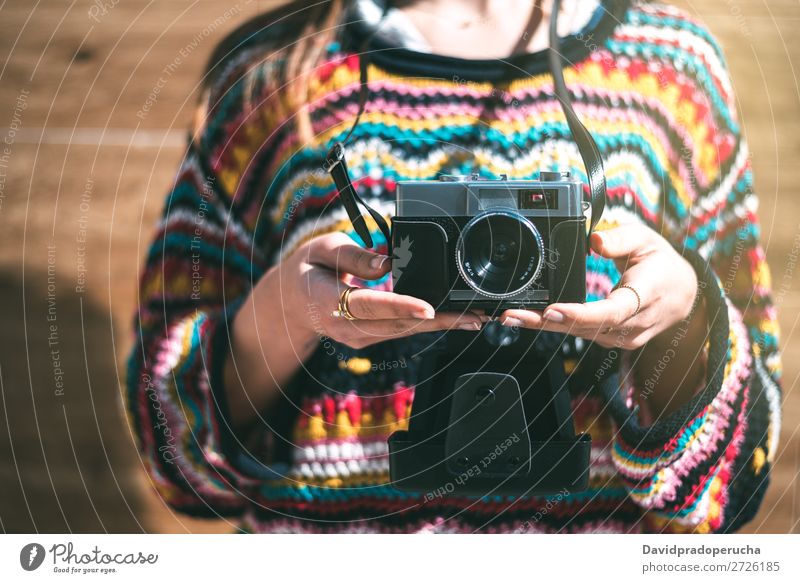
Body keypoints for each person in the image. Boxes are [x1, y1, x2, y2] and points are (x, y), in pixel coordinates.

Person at [127, 0, 782, 533]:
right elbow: (168, 440)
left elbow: (742, 456)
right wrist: (286, 312)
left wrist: (679, 317)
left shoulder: (671, 69)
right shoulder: (269, 79)